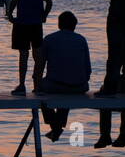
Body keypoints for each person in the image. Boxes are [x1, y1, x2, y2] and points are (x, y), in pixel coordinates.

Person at [37, 12, 91, 141]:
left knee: (44, 95)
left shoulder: (49, 39)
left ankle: (55, 127)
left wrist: (37, 84)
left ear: (59, 24)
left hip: (55, 85)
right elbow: (88, 69)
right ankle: (56, 128)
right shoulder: (81, 39)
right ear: (74, 25)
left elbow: (40, 66)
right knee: (67, 87)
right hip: (79, 86)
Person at [5, 0, 52, 95]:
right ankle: (37, 85)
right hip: (36, 24)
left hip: (21, 24)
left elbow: (14, 0)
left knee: (23, 55)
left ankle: (21, 85)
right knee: (37, 56)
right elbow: (49, 2)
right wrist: (44, 15)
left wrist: (10, 14)